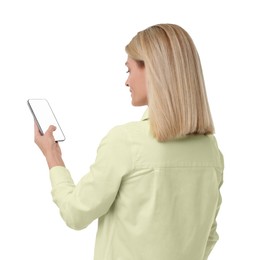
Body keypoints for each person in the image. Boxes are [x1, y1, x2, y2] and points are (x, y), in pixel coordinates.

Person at [34, 23, 224, 260]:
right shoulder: (210, 150)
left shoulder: (125, 141)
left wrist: (53, 156)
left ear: (154, 70)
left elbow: (75, 213)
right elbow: (209, 235)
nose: (127, 82)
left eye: (129, 70)